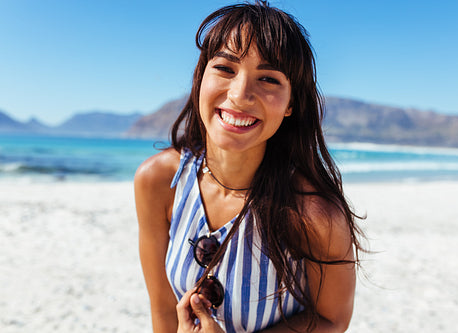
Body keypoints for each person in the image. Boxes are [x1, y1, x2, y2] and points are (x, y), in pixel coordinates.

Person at [135, 1, 364, 332]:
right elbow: (162, 309)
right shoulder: (159, 180)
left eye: (268, 78)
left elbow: (331, 320)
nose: (241, 94)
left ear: (290, 105)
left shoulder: (314, 215)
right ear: (201, 78)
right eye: (225, 69)